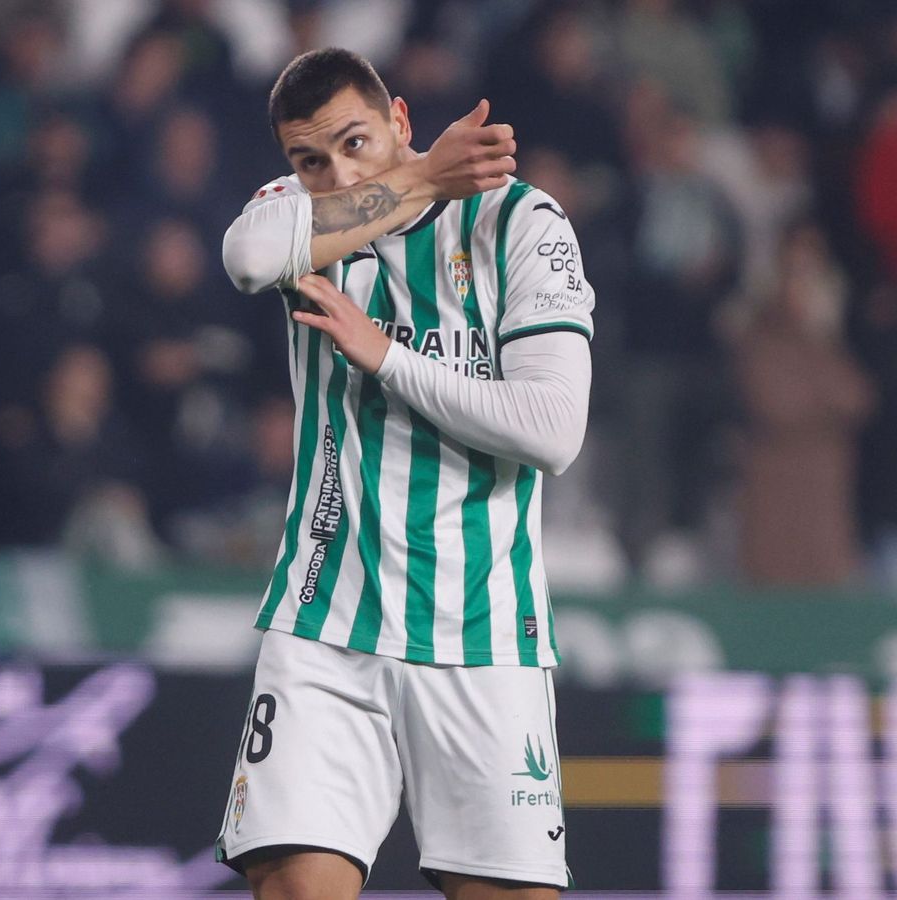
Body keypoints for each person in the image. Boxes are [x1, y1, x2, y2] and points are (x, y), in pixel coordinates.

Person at [215, 48, 595, 899]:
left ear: (400, 120)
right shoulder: (298, 217)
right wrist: (422, 178)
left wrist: (385, 357)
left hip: (482, 635)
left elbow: (552, 429)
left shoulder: (524, 224)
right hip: (324, 624)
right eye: (310, 160)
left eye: (356, 143)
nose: (336, 172)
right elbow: (245, 260)